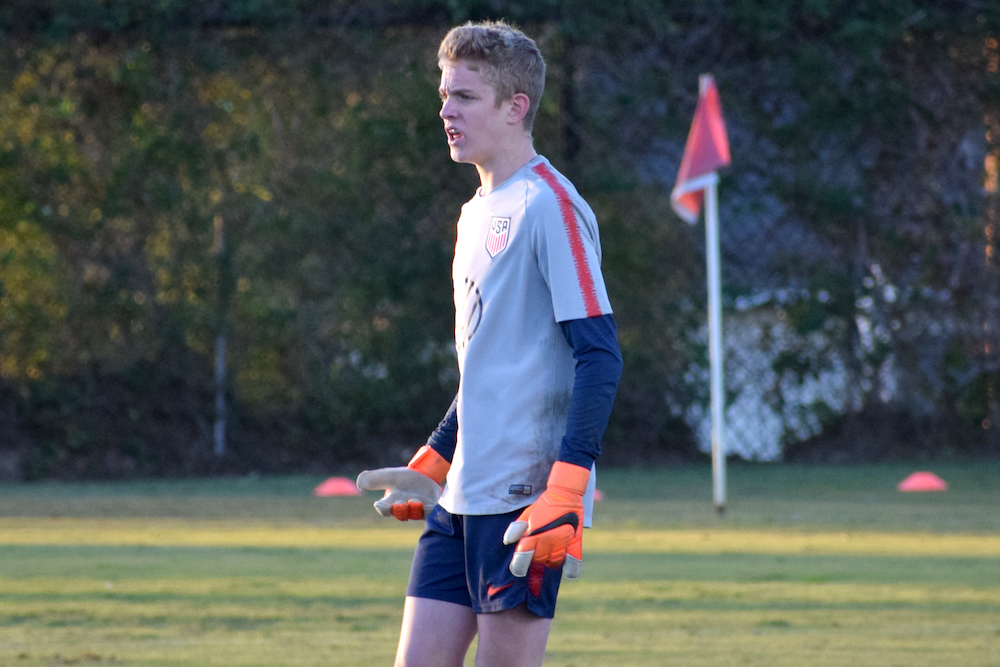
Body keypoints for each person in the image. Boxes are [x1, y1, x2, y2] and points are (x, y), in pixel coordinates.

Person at [357, 20, 622, 667]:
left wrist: (567, 484)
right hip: (457, 504)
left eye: (465, 97)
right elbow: (489, 362)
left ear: (515, 106)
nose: (446, 110)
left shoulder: (550, 205)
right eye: (444, 95)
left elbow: (600, 353)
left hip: (525, 502)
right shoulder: (473, 212)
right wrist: (436, 458)